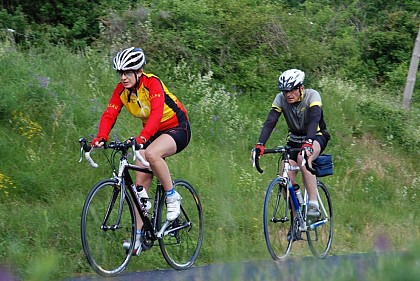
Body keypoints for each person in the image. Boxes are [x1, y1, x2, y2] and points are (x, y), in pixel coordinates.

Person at [91, 47, 191, 253]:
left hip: (177, 127)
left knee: (152, 154)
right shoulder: (121, 90)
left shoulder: (152, 83)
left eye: (128, 72)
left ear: (139, 72)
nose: (123, 77)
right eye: (120, 73)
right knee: (139, 191)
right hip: (152, 132)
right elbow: (109, 114)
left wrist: (143, 138)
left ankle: (172, 196)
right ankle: (138, 237)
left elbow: (155, 114)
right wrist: (101, 137)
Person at [254, 69, 330, 219]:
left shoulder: (312, 95)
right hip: (294, 139)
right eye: (285, 91)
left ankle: (313, 204)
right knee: (285, 175)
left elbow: (315, 119)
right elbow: (271, 121)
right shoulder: (280, 99)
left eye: (292, 90)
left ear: (301, 88)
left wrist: (309, 142)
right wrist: (260, 144)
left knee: (304, 159)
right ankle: (297, 218)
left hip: (316, 136)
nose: (288, 94)